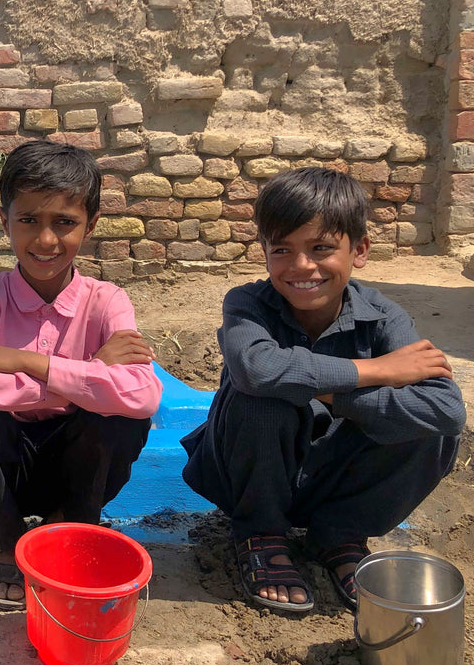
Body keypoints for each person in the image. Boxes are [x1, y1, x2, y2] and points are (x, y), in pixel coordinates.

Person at [181, 167, 465, 613]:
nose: (301, 267)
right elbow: (257, 370)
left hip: (334, 479)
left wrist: (329, 392)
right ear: (265, 253)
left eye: (321, 248)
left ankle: (339, 534)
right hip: (250, 475)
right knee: (261, 398)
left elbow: (446, 411)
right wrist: (375, 370)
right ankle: (262, 533)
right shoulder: (247, 303)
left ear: (361, 250)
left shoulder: (386, 319)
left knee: (429, 425)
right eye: (283, 250)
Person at [0, 141, 163, 609]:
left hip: (75, 467)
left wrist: (23, 361)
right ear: (5, 222)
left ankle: (70, 523)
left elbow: (143, 396)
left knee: (120, 422)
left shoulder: (106, 301)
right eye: (29, 221)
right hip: (10, 469)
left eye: (64, 223)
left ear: (91, 225)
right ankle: (5, 542)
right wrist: (90, 375)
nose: (45, 241)